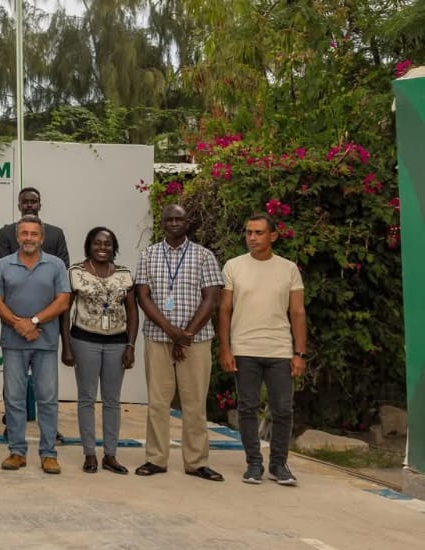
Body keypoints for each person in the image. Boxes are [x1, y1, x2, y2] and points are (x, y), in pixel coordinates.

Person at [133, 203, 226, 481]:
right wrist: (171, 331)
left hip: (195, 342)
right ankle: (156, 459)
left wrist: (186, 335)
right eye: (169, 219)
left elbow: (211, 298)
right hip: (158, 339)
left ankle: (196, 462)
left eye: (180, 219)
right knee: (158, 403)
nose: (174, 223)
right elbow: (143, 296)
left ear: (188, 223)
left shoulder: (204, 255)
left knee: (195, 403)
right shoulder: (149, 255)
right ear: (162, 224)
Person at [218, 212, 307, 487]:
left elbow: (298, 311)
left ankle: (278, 465)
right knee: (247, 408)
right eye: (248, 232)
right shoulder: (233, 266)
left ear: (273, 236)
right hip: (244, 349)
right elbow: (224, 309)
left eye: (258, 233)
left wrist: (299, 353)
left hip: (279, 349)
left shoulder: (288, 268)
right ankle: (253, 464)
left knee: (282, 409)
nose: (252, 238)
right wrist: (225, 348)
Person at [0, 215, 72, 474]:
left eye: (33, 234)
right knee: (14, 399)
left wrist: (34, 321)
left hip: (45, 342)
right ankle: (17, 451)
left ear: (42, 238)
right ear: (17, 237)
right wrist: (18, 324)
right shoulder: (4, 264)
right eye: (24, 233)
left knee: (47, 400)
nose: (28, 238)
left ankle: (48, 454)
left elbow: (63, 301)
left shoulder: (56, 265)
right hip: (13, 342)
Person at [62, 226, 138, 474]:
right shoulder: (75, 272)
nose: (102, 248)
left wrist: (131, 345)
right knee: (86, 399)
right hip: (84, 341)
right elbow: (65, 311)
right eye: (97, 243)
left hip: (117, 343)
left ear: (114, 247)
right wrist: (67, 345)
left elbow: (133, 312)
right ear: (89, 245)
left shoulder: (124, 274)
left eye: (107, 244)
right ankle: (89, 454)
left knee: (112, 401)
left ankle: (110, 455)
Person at [0, 187, 71, 266]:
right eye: (25, 202)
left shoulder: (56, 234)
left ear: (39, 206)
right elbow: (3, 267)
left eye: (33, 202)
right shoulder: (6, 233)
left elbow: (63, 266)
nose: (29, 205)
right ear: (19, 206)